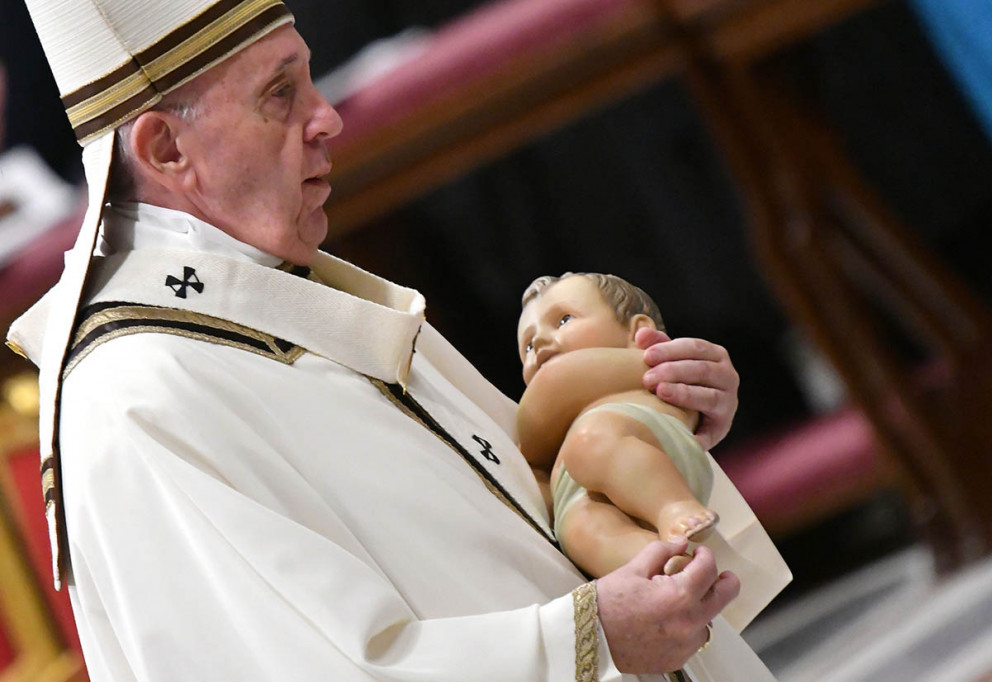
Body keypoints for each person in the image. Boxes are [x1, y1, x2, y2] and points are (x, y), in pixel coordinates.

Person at [7, 1, 763, 679]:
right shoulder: (138, 397)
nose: (327, 116)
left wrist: (649, 417)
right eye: (280, 93)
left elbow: (521, 508)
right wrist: (589, 642)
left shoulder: (282, 293)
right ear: (167, 149)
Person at [516, 272, 720, 579]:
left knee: (589, 443)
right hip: (582, 490)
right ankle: (661, 566)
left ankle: (674, 508)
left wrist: (526, 451)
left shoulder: (650, 371)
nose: (541, 342)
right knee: (580, 531)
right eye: (528, 346)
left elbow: (548, 390)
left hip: (649, 453)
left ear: (637, 332)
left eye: (563, 320)